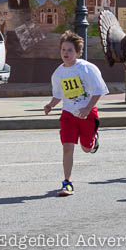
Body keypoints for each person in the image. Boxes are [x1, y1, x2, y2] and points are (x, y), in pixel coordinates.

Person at [44, 31, 109, 196]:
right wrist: (51, 105)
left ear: (78, 53)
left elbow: (99, 90)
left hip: (87, 114)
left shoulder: (87, 69)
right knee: (67, 147)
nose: (65, 53)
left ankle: (93, 139)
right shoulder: (58, 73)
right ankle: (67, 182)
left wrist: (87, 108)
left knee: (87, 148)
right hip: (68, 115)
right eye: (63, 49)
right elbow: (59, 94)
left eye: (70, 50)